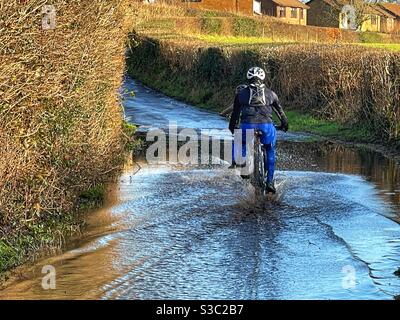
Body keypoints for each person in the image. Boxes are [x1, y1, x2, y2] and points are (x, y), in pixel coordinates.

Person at [229, 66, 288, 194]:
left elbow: (235, 114)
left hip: (247, 125)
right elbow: (280, 112)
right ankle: (270, 182)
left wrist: (232, 128)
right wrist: (285, 125)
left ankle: (242, 165)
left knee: (241, 141)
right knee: (269, 149)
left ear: (248, 78)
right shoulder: (271, 94)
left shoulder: (241, 94)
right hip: (266, 126)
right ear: (263, 78)